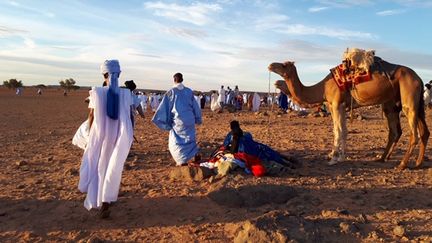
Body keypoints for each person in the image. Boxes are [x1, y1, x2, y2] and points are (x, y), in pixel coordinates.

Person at [78, 60, 133, 218]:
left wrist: (89, 132)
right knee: (113, 167)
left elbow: (91, 115)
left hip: (100, 135)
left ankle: (99, 199)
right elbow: (130, 116)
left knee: (97, 165)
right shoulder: (126, 93)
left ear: (103, 74)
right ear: (119, 74)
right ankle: (106, 201)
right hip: (120, 135)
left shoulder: (96, 92)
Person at [152, 73, 202, 166]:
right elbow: (195, 106)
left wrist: (163, 120)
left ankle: (182, 160)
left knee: (176, 142)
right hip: (189, 120)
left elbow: (165, 107)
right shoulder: (189, 91)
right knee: (190, 139)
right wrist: (198, 118)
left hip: (179, 121)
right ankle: (195, 155)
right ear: (182, 80)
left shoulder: (171, 92)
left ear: (174, 80)